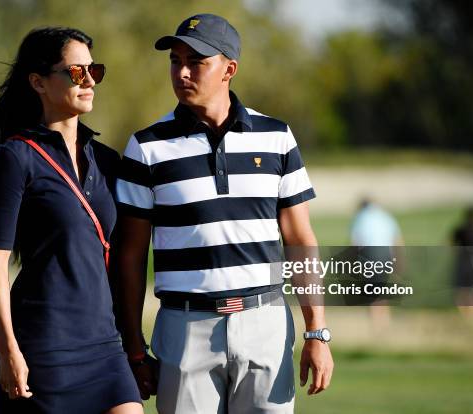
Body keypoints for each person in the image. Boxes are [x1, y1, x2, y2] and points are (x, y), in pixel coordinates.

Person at [115, 14, 334, 413]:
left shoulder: (277, 137)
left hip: (264, 322)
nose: (181, 72)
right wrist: (133, 346)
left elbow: (301, 240)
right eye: (175, 60)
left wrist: (316, 332)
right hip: (184, 329)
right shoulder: (146, 147)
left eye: (195, 62)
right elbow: (129, 256)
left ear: (228, 69)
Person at [0, 27, 142, 414]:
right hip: (42, 348)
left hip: (105, 348)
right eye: (75, 72)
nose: (88, 81)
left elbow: (122, 259)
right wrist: (9, 351)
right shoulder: (15, 158)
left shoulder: (107, 161)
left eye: (94, 71)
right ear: (38, 82)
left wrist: (135, 347)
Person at [349, 198, 404, 328]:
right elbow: (397, 240)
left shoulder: (360, 217)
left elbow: (355, 242)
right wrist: (399, 261)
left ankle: (377, 324)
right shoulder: (386, 216)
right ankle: (385, 321)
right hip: (386, 255)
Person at [450, 206, 473, 318]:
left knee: (463, 287)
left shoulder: (461, 229)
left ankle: (465, 311)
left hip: (463, 261)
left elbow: (451, 241)